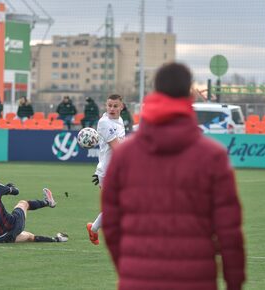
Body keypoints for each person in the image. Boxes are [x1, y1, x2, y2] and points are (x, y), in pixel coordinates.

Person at [101, 63, 245, 289]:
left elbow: (111, 224)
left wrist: (129, 268)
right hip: (195, 279)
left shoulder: (125, 156)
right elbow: (229, 232)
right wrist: (234, 283)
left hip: (138, 279)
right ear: (189, 93)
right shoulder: (212, 156)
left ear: (155, 92)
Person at [0, 168, 68, 243]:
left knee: (29, 236)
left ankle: (57, 239)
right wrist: (9, 186)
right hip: (13, 226)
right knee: (23, 203)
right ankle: (48, 202)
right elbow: (16, 191)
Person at [85, 94, 125, 245]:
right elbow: (117, 148)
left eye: (115, 106)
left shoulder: (119, 121)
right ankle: (97, 229)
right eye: (109, 105)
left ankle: (94, 228)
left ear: (122, 106)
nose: (112, 109)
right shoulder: (104, 123)